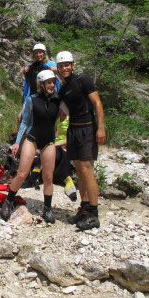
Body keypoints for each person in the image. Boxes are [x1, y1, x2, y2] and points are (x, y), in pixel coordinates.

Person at [1, 70, 66, 224]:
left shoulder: (58, 100)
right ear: (41, 84)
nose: (52, 85)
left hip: (49, 141)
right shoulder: (32, 99)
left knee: (48, 177)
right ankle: (8, 201)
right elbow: (24, 122)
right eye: (49, 82)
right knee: (22, 173)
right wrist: (17, 142)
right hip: (32, 139)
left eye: (53, 82)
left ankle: (47, 209)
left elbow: (62, 116)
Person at [55, 51, 106, 231]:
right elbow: (61, 107)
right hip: (73, 129)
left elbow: (97, 103)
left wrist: (100, 127)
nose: (64, 68)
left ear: (73, 65)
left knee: (86, 168)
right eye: (61, 66)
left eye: (67, 64)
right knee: (79, 169)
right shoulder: (64, 87)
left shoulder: (83, 80)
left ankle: (94, 213)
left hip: (86, 128)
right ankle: (84, 208)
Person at [17, 43, 58, 131]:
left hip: (47, 96)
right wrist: (24, 70)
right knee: (21, 117)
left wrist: (55, 69)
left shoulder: (50, 64)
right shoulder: (32, 67)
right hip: (33, 95)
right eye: (36, 53)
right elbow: (29, 82)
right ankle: (19, 138)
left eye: (40, 52)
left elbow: (61, 73)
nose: (38, 55)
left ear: (44, 53)